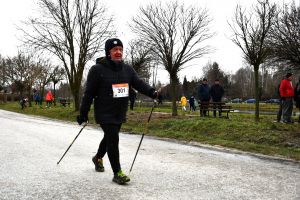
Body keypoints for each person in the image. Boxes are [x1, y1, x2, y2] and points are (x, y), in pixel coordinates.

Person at [77, 38, 159, 185]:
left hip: (119, 112)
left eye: (120, 49)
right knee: (113, 139)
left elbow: (138, 83)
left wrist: (153, 92)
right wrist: (83, 113)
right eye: (115, 50)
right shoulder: (97, 70)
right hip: (104, 112)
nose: (118, 52)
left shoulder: (127, 69)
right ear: (108, 52)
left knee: (109, 137)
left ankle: (97, 158)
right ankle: (117, 173)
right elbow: (88, 93)